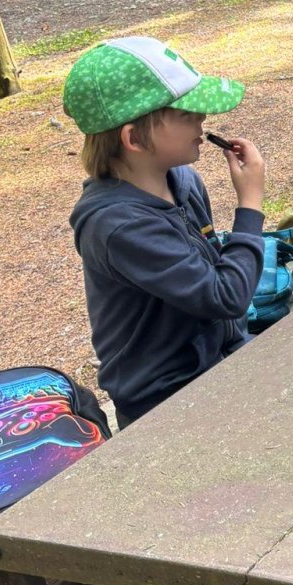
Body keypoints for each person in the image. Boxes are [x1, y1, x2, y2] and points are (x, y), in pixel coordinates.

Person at [64, 38, 266, 430]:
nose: (203, 117)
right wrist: (251, 203)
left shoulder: (183, 181)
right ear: (134, 139)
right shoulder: (118, 225)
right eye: (187, 113)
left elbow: (213, 278)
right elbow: (225, 297)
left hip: (221, 359)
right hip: (165, 403)